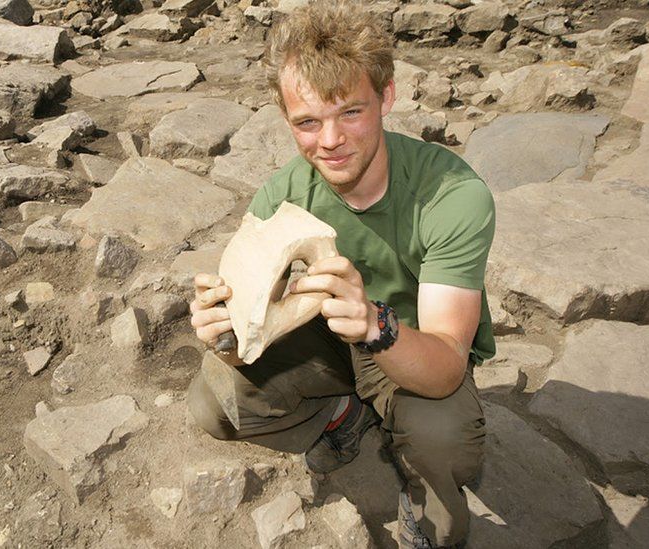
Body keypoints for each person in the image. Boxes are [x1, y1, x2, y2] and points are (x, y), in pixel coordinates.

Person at [186, 1, 496, 548]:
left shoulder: (452, 196)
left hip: (407, 342)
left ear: (386, 97)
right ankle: (342, 414)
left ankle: (419, 497)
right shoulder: (278, 197)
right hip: (320, 342)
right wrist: (226, 337)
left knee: (443, 442)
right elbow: (251, 339)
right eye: (307, 122)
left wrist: (375, 323)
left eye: (350, 112)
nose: (329, 141)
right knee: (213, 406)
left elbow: (447, 363)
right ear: (287, 120)